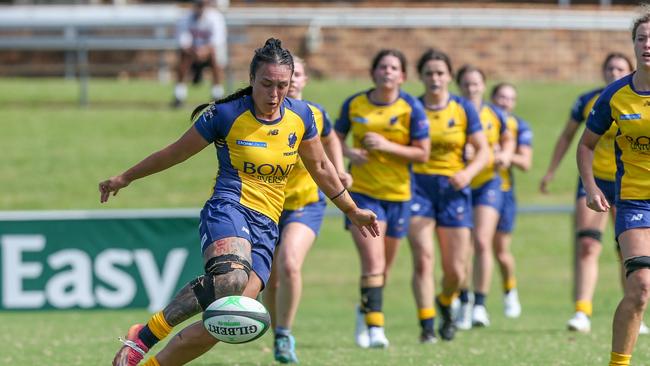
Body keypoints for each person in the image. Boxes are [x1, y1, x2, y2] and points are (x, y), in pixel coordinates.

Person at [103, 38, 379, 366]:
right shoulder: (226, 114)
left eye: (282, 85)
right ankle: (144, 336)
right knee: (230, 278)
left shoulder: (301, 116)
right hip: (229, 208)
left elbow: (320, 167)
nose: (274, 95)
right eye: (266, 85)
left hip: (267, 225)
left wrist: (352, 209)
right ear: (251, 80)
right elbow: (175, 152)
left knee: (228, 320)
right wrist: (126, 177)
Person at [539, 52, 645, 334]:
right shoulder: (593, 100)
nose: (613, 72)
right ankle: (582, 311)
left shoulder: (637, 98)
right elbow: (569, 137)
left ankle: (637, 310)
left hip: (630, 185)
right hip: (595, 181)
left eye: (619, 68)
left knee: (628, 252)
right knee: (587, 245)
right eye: (609, 67)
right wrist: (551, 171)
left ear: (628, 69)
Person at [335, 49, 430, 348]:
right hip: (363, 196)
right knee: (373, 263)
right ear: (373, 72)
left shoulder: (411, 108)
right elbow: (333, 137)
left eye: (394, 68)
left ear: (402, 76)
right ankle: (377, 327)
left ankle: (364, 310)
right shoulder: (355, 104)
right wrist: (349, 155)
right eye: (382, 66)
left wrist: (388, 146)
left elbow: (422, 153)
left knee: (384, 270)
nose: (387, 71)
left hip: (399, 196)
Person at [263, 56, 350, 364]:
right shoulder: (264, 115)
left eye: (298, 74)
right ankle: (277, 334)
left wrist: (339, 170)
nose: (294, 79)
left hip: (306, 204)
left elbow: (331, 140)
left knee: (289, 264)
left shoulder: (315, 113)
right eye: (290, 74)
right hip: (267, 207)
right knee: (270, 280)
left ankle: (285, 333)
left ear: (304, 79)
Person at [577, 11, 650, 365]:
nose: (648, 45)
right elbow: (585, 144)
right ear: (633, 44)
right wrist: (590, 187)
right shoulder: (615, 96)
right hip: (635, 202)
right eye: (641, 38)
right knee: (640, 288)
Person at [407, 49, 489, 343]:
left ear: (449, 77)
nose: (435, 79)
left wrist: (468, 173)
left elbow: (483, 150)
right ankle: (427, 324)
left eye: (440, 73)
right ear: (421, 76)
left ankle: (445, 301)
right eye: (429, 73)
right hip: (418, 187)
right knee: (424, 258)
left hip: (454, 189)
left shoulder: (463, 108)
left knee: (455, 269)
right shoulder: (411, 107)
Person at [455, 64, 515, 330]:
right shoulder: (453, 111)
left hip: (488, 183)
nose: (471, 88)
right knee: (461, 248)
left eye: (476, 83)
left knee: (481, 241)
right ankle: (462, 299)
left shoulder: (494, 114)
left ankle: (479, 304)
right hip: (458, 184)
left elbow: (508, 138)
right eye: (466, 84)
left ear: (483, 86)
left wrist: (504, 154)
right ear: (459, 86)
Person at [490, 82, 534, 319]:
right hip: (475, 192)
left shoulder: (519, 126)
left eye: (509, 98)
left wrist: (505, 155)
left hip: (504, 192)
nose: (504, 102)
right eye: (501, 97)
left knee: (500, 251)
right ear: (492, 98)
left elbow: (526, 163)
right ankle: (467, 301)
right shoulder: (480, 120)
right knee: (474, 247)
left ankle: (509, 292)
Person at [172, 0, 228, 108]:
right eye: (198, 4)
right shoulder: (185, 18)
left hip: (209, 54)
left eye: (202, 4)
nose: (200, 8)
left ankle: (217, 94)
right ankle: (179, 95)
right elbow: (183, 42)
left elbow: (217, 41)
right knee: (183, 57)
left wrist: (203, 51)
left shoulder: (215, 18)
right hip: (192, 54)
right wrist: (196, 52)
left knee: (215, 56)